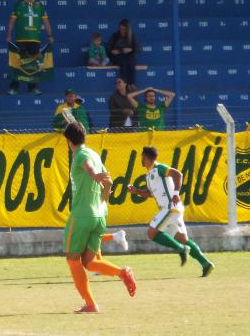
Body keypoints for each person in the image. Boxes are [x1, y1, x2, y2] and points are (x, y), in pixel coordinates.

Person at [62, 122, 136, 313]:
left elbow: (90, 169)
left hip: (81, 215)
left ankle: (91, 304)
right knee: (89, 262)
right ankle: (122, 272)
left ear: (69, 141)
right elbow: (108, 182)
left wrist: (94, 175)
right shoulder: (94, 154)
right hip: (99, 215)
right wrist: (103, 200)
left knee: (72, 259)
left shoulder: (81, 155)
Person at [127, 147, 214, 277]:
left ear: (146, 157)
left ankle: (181, 249)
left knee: (152, 233)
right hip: (172, 210)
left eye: (142, 156)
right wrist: (136, 191)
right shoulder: (149, 175)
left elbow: (178, 174)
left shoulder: (159, 168)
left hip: (170, 208)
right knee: (183, 239)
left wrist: (176, 193)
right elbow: (151, 194)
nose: (142, 159)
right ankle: (206, 264)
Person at [5, 0, 53, 96]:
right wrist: (8, 35)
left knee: (33, 64)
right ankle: (14, 88)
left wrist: (50, 35)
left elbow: (46, 22)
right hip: (20, 39)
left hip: (35, 40)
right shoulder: (18, 4)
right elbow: (12, 21)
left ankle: (32, 88)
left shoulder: (40, 5)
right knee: (17, 63)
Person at [109, 19, 139, 90]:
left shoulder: (132, 36)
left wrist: (131, 49)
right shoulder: (115, 35)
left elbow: (137, 48)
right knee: (124, 62)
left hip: (128, 55)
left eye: (124, 29)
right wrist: (112, 51)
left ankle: (131, 83)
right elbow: (109, 48)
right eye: (121, 29)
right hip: (117, 56)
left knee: (131, 62)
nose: (122, 31)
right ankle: (126, 83)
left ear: (127, 29)